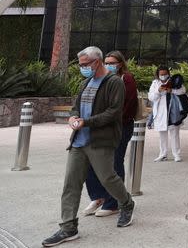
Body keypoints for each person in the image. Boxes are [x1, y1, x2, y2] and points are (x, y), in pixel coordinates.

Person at [42, 47, 135, 246]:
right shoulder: (86, 82)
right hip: (78, 141)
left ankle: (126, 203)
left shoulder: (114, 82)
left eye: (85, 64)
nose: (82, 68)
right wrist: (73, 117)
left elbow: (114, 112)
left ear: (97, 62)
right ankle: (68, 227)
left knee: (108, 178)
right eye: (80, 65)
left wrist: (87, 121)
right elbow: (76, 106)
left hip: (100, 140)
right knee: (71, 184)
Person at [82, 51, 138, 218]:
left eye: (112, 62)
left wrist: (109, 119)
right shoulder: (100, 79)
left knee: (114, 163)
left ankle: (114, 202)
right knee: (91, 162)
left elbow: (128, 106)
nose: (108, 65)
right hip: (99, 127)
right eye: (106, 62)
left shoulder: (126, 79)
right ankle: (98, 196)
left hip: (120, 127)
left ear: (120, 63)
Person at [148, 65, 186, 162]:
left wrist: (172, 90)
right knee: (162, 135)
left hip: (173, 111)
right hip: (160, 113)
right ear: (158, 74)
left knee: (174, 134)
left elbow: (183, 91)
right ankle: (163, 154)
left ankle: (176, 155)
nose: (163, 76)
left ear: (168, 74)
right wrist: (158, 91)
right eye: (161, 74)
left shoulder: (174, 81)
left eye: (165, 74)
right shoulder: (155, 83)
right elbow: (151, 97)